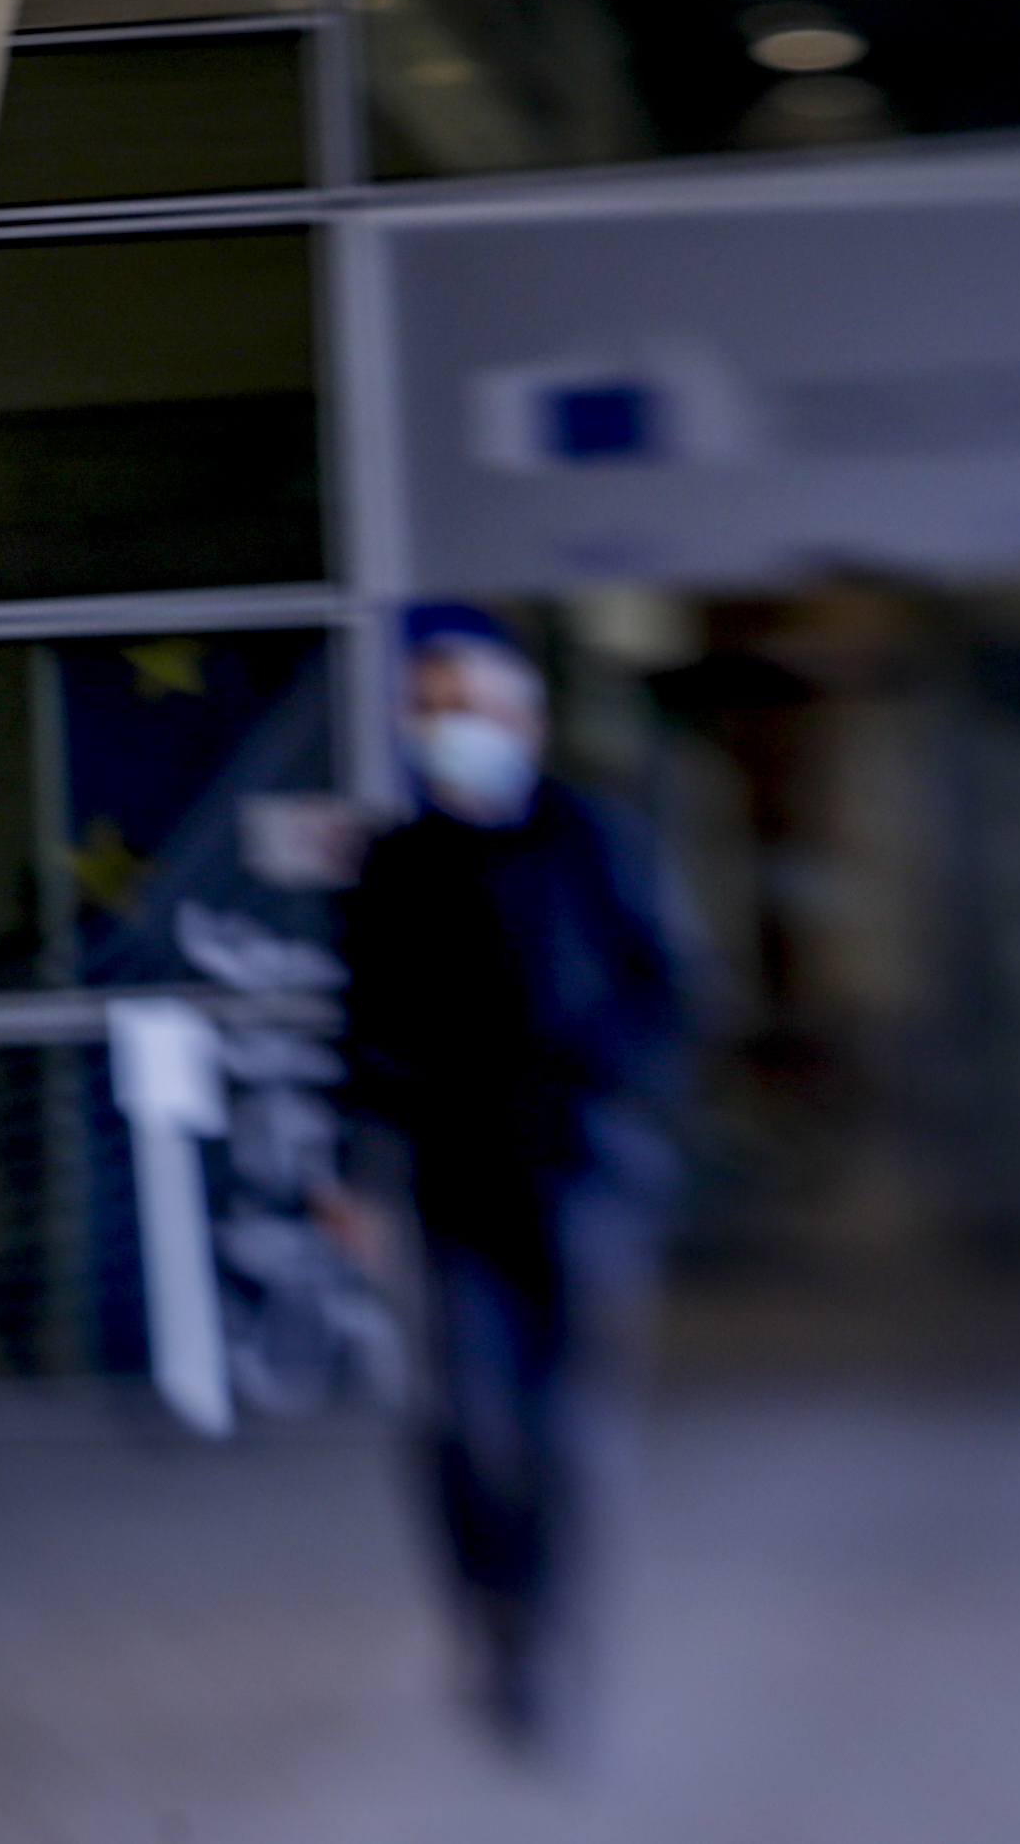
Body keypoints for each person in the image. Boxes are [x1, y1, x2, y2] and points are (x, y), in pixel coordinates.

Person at [316, 610, 686, 1757]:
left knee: (565, 1437)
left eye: (469, 708)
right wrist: (350, 1172)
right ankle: (493, 1614)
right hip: (452, 1182)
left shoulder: (593, 839)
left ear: (524, 720)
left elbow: (665, 988)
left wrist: (615, 1089)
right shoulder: (395, 863)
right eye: (430, 709)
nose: (450, 728)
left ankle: (547, 1648)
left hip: (579, 1176)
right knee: (465, 1425)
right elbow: (362, 1028)